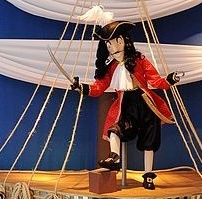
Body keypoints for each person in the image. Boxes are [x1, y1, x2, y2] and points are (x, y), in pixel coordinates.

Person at [71, 21, 180, 190]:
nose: (113, 47)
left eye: (116, 42)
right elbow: (99, 87)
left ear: (124, 41)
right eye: (108, 44)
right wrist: (82, 88)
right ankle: (114, 157)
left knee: (149, 140)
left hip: (145, 104)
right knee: (115, 129)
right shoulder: (111, 67)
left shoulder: (139, 59)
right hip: (125, 106)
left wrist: (169, 80)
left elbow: (155, 80)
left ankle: (148, 176)